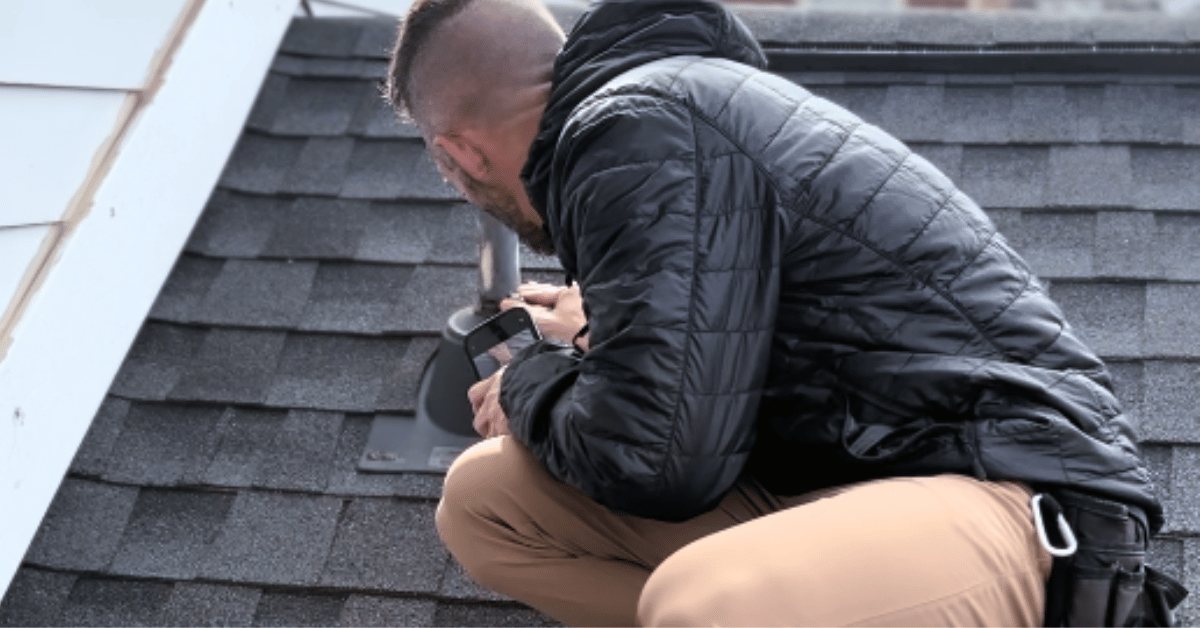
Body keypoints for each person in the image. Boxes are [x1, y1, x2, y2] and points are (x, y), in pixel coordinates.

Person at [385, 0, 1164, 625]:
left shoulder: (634, 132)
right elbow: (721, 360)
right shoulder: (656, 117)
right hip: (852, 474)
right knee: (486, 503)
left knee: (705, 603)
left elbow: (659, 461)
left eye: (449, 172)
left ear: (460, 156)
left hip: (1012, 493)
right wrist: (598, 334)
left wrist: (530, 385)